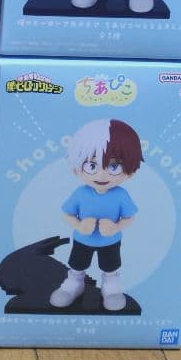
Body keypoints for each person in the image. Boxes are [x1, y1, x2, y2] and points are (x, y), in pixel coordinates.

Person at [49, 117, 142, 312]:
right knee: (77, 264)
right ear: (76, 169)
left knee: (110, 266)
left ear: (130, 171)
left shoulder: (121, 195)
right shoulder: (80, 193)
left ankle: (111, 287)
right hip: (82, 239)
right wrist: (79, 225)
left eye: (114, 167)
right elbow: (67, 214)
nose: (101, 175)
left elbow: (130, 218)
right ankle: (74, 283)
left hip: (110, 241)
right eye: (92, 166)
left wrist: (116, 227)